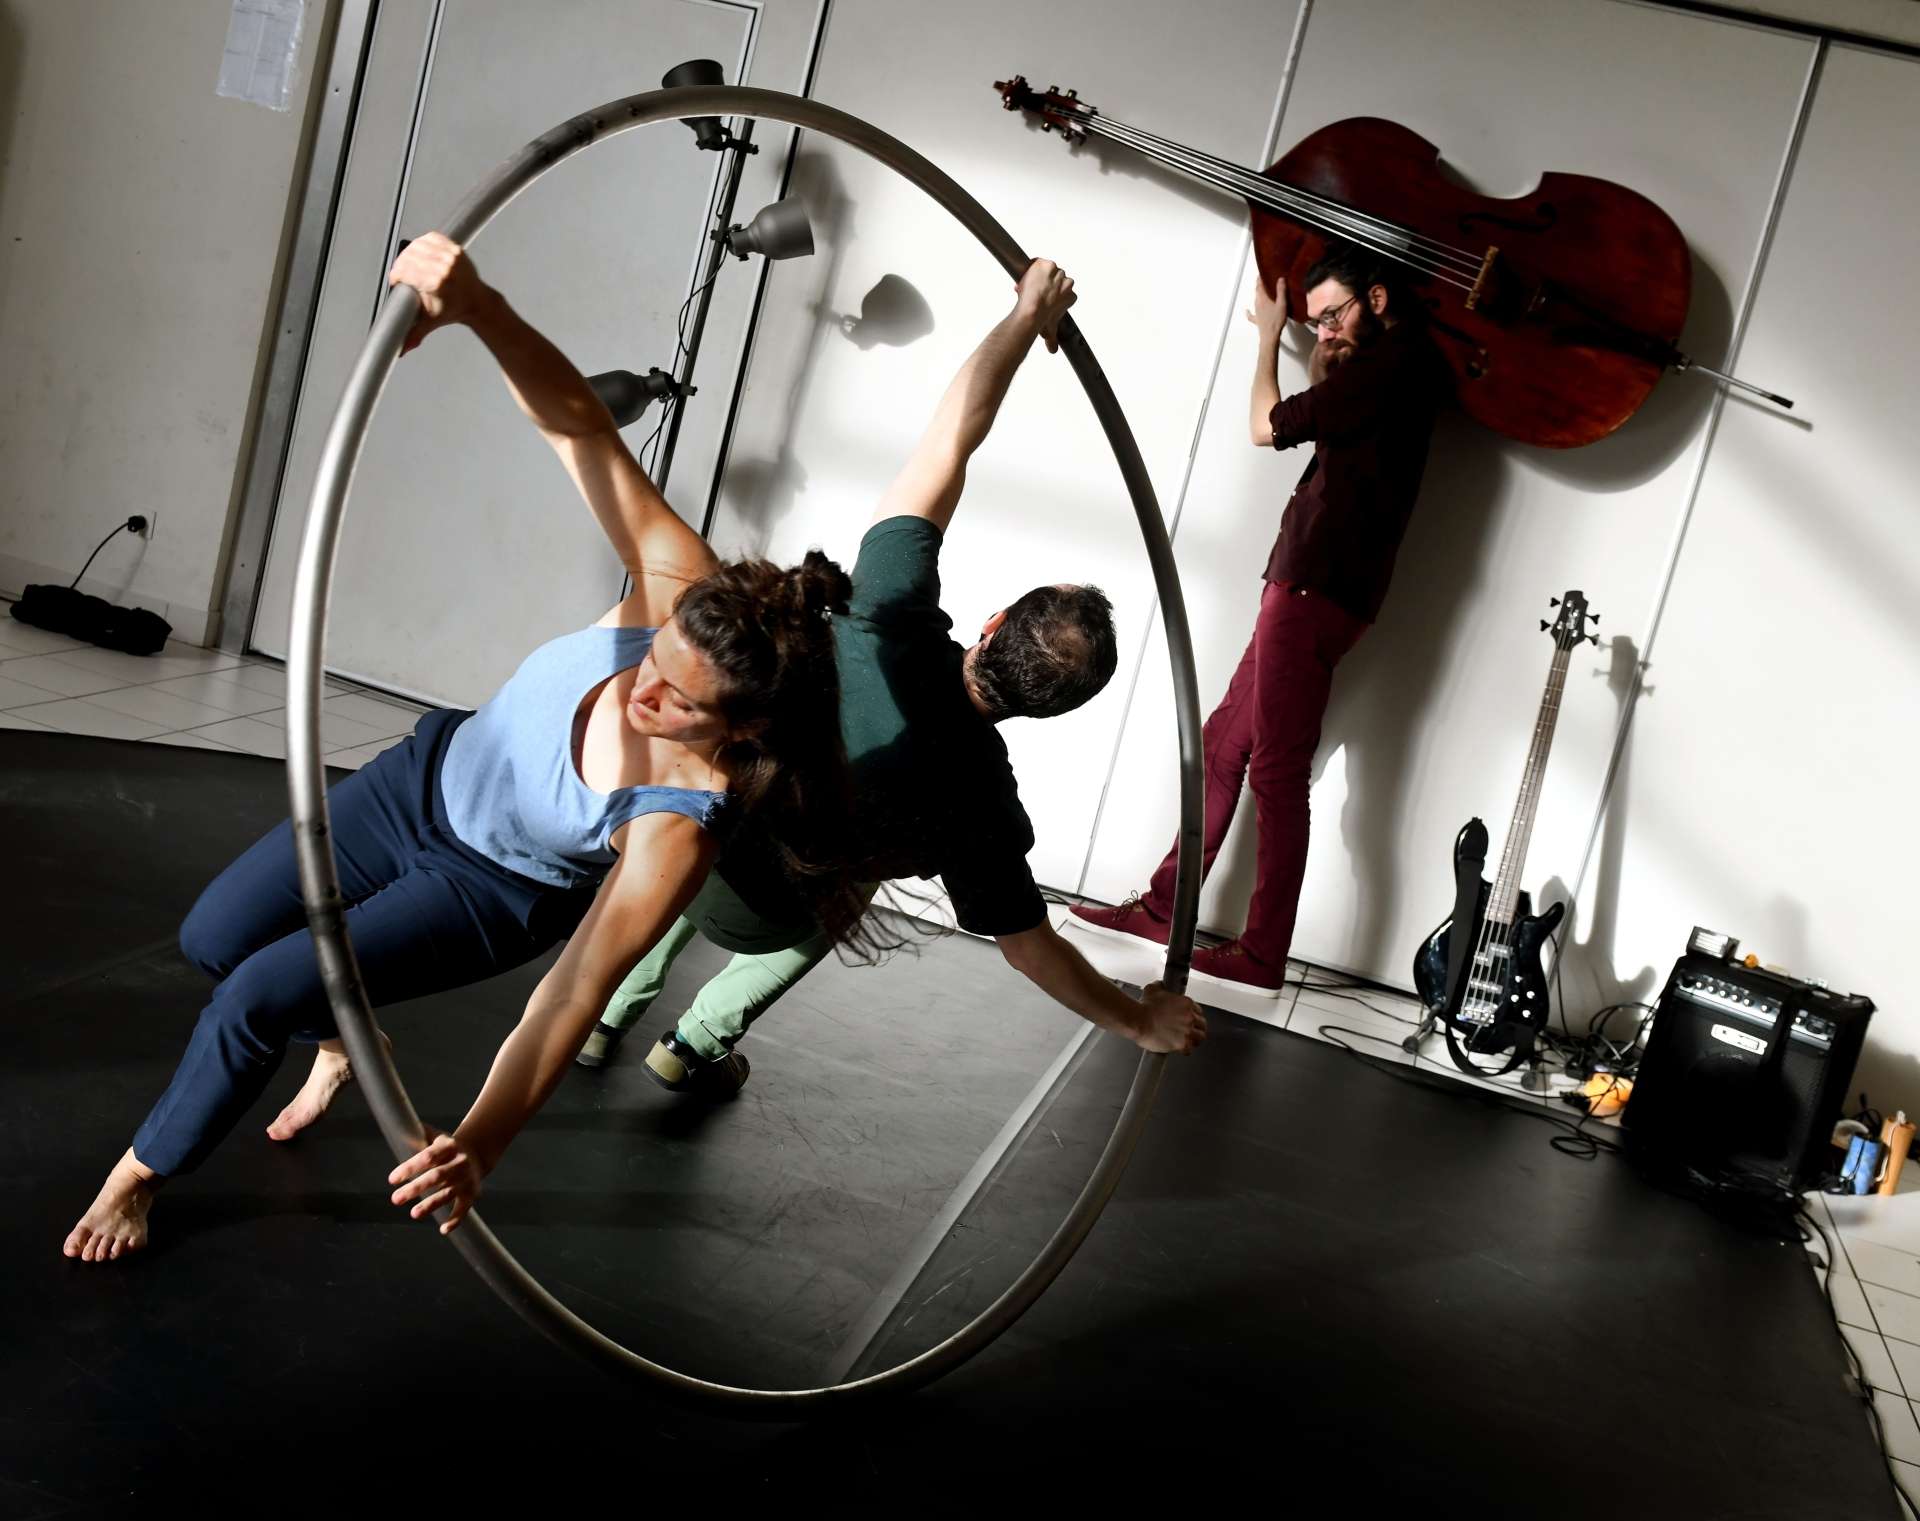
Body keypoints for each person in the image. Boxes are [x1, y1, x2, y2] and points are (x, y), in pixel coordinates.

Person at [62, 232, 871, 1262]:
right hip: (422, 783)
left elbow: (572, 996)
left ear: (743, 728)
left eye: (677, 703)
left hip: (487, 891)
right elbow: (580, 430)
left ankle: (139, 1178)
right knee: (214, 939)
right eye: (651, 662)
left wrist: (480, 1144)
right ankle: (344, 1043)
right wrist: (478, 304)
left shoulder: (680, 825)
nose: (642, 692)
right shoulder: (681, 581)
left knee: (254, 995)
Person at [578, 260, 1206, 1092]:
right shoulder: (980, 805)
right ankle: (694, 1041)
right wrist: (1136, 1018)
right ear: (1049, 711)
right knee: (854, 865)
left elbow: (953, 438)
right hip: (771, 917)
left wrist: (1026, 318)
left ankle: (605, 1008)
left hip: (685, 854)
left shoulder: (888, 609)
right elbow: (1030, 947)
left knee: (758, 786)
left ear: (991, 625)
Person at [1072, 240, 1449, 993]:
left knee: (1275, 768)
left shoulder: (1394, 365)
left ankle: (1261, 951)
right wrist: (1317, 351)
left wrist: (1270, 336)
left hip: (1314, 589)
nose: (1328, 333)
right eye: (1317, 325)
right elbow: (1330, 418)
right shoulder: (1387, 372)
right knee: (1225, 742)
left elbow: (1265, 424)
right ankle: (1164, 905)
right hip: (1307, 585)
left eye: (1334, 316)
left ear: (1377, 299)